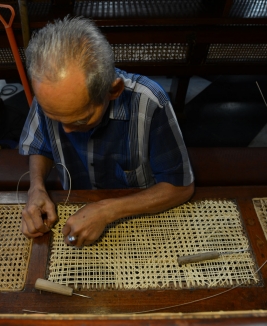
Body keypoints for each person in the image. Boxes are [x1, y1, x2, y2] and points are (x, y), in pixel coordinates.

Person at [19, 16, 194, 247]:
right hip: (74, 208)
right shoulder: (50, 95)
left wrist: (105, 211)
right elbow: (40, 146)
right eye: (55, 117)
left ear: (114, 91)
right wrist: (37, 187)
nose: (66, 130)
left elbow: (181, 188)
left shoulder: (149, 102)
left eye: (80, 119)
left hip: (139, 219)